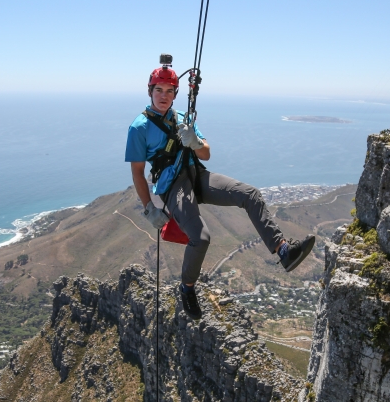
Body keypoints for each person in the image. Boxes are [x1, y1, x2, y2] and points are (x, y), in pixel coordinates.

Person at [125, 64, 315, 320]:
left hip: (197, 175)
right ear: (150, 91)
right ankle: (187, 288)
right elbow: (137, 172)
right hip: (174, 185)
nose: (164, 96)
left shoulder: (183, 118)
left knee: (249, 194)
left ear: (175, 93)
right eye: (159, 90)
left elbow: (206, 153)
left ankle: (283, 250)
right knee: (201, 237)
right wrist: (149, 208)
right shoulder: (139, 127)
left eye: (170, 91)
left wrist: (195, 141)